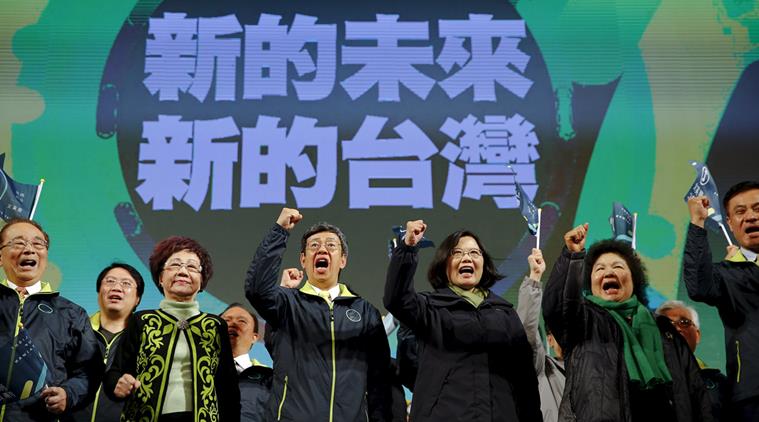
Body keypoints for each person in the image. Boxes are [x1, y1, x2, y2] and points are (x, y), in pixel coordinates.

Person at [543, 224, 712, 421]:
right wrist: (572, 257)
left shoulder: (664, 329)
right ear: (590, 283)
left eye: (618, 267)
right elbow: (557, 306)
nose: (608, 272)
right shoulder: (584, 322)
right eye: (600, 269)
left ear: (633, 279)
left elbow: (696, 393)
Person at [384, 220, 542, 422]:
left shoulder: (505, 313)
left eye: (474, 253)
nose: (466, 257)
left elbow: (525, 381)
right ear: (444, 264)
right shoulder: (429, 308)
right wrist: (408, 248)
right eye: (457, 253)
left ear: (484, 264)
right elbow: (396, 299)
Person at [245, 208, 392, 422]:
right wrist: (280, 231)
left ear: (342, 260)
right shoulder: (287, 303)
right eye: (314, 246)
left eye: (331, 245)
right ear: (303, 260)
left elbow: (379, 381)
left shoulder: (365, 311)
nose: (322, 249)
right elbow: (256, 289)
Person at [104, 236, 240, 422]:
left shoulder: (215, 326)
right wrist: (118, 385)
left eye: (192, 267)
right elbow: (115, 373)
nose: (183, 271)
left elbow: (228, 389)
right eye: (175, 265)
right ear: (160, 277)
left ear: (202, 281)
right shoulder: (142, 320)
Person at [0, 218, 103, 421]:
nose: (29, 249)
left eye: (38, 244)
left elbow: (89, 372)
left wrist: (68, 394)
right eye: (19, 243)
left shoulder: (71, 313)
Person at [685, 180, 759, 421]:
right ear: (729, 223)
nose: (750, 217)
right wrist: (698, 223)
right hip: (753, 395)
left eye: (757, 209)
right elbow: (698, 285)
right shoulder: (728, 275)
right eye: (740, 212)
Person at [66, 263, 145, 422]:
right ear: (98, 292)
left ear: (137, 299)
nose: (116, 287)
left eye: (126, 284)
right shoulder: (74, 332)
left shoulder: (146, 341)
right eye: (110, 281)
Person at [656, 300, 727, 420]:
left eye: (684, 322)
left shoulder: (719, 384)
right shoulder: (646, 380)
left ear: (697, 335)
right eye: (667, 325)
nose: (677, 329)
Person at [517, 248, 565, 422]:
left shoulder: (595, 368)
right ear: (550, 340)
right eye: (559, 330)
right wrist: (535, 278)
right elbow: (526, 334)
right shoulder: (542, 368)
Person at [220, 303, 272, 422]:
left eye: (242, 321)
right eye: (226, 320)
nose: (232, 323)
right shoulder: (192, 367)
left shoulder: (270, 378)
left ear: (255, 337)